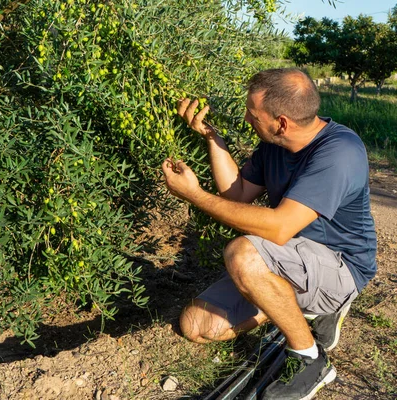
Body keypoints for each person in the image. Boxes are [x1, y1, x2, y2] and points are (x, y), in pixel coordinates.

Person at [161, 68, 377, 400]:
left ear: (282, 122)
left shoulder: (340, 152)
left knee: (242, 254)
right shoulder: (275, 143)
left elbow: (278, 228)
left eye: (253, 113)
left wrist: (193, 195)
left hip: (339, 267)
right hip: (288, 258)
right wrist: (212, 138)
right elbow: (239, 193)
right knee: (195, 325)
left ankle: (310, 359)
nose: (247, 118)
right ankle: (292, 306)